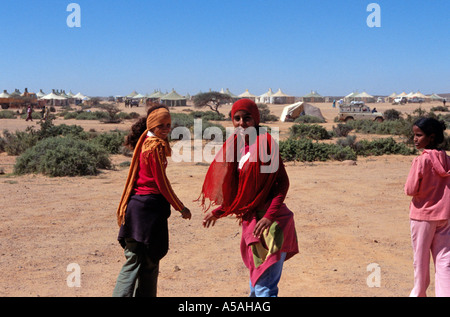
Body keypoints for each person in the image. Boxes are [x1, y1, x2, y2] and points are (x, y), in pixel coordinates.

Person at [199, 98, 298, 297]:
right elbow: (241, 193)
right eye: (237, 118)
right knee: (256, 286)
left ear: (256, 119)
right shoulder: (236, 146)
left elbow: (282, 184)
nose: (242, 123)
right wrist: (219, 212)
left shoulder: (266, 144)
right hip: (252, 223)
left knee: (264, 288)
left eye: (247, 118)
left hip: (271, 225)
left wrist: (269, 216)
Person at [113, 105, 191, 297]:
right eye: (161, 125)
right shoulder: (153, 146)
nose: (165, 129)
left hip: (137, 209)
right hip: (147, 211)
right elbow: (161, 183)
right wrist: (181, 207)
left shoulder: (146, 142)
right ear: (152, 126)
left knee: (145, 261)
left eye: (168, 125)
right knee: (138, 262)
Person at [405, 117, 450, 297]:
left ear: (431, 137)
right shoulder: (447, 160)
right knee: (444, 260)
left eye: (419, 135)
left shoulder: (421, 161)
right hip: (444, 216)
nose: (415, 139)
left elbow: (410, 189)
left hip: (422, 217)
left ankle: (419, 294)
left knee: (420, 260)